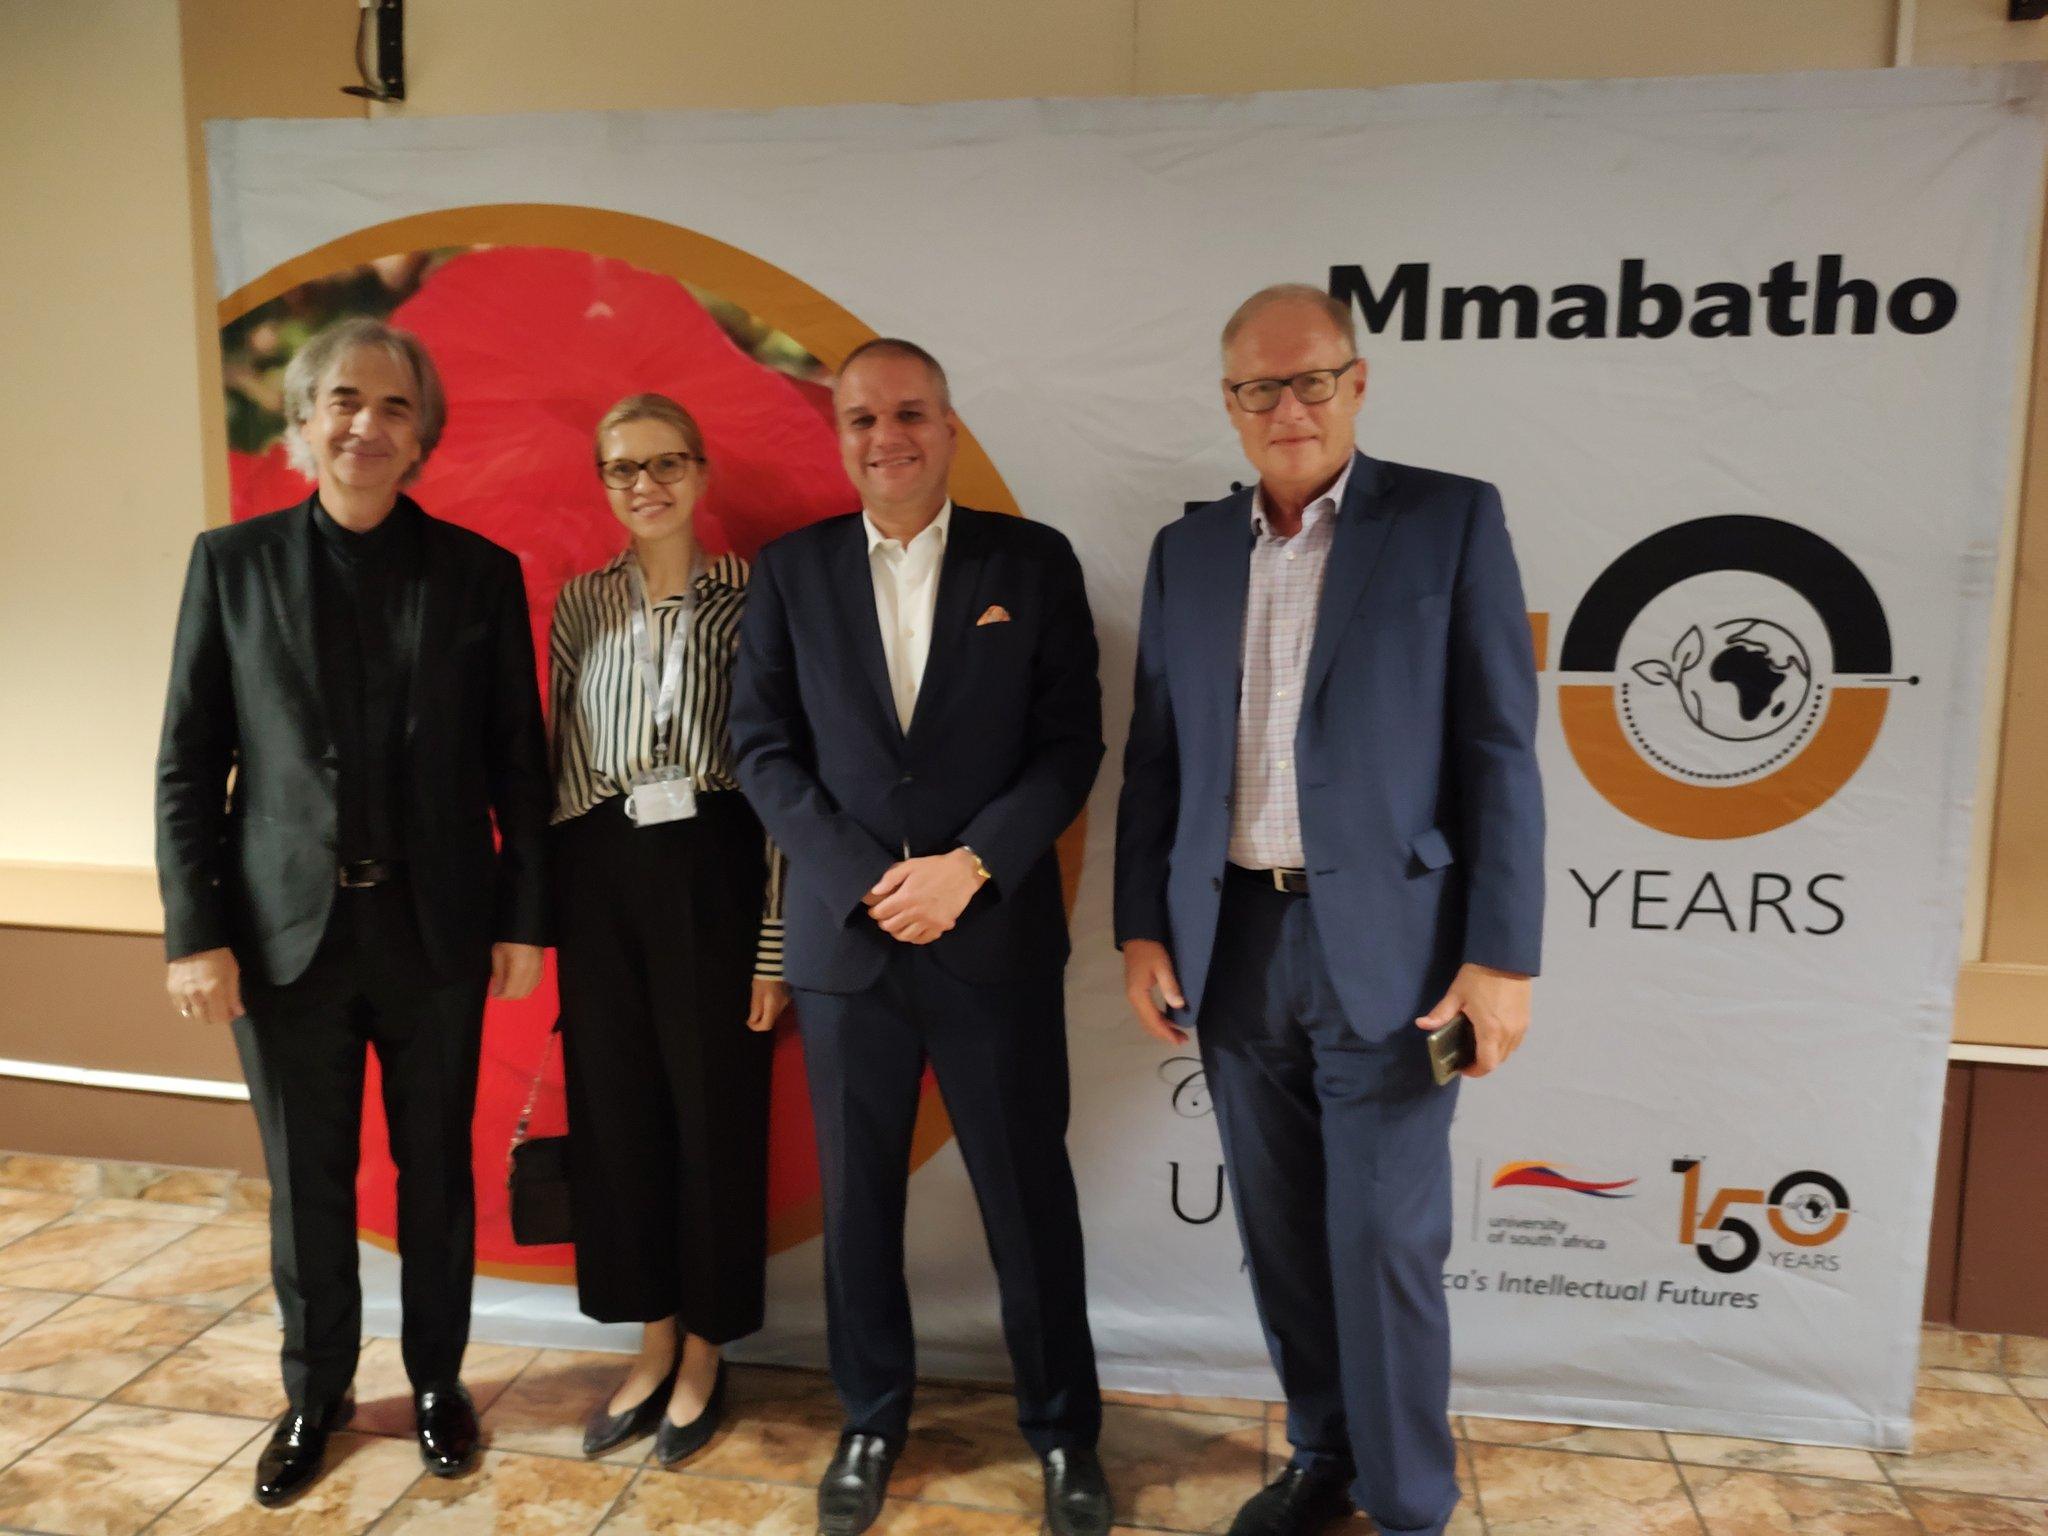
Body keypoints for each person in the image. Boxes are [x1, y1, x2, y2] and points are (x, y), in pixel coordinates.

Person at [1114, 285, 1544, 1536]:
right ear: (1229, 403)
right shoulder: (1188, 551)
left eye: (1310, 380)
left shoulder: (1447, 521)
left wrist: (1500, 956)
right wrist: (1140, 925)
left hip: (1395, 953)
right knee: (1284, 1236)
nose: (1287, 408)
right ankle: (1324, 1455)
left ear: (1356, 384)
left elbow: (1497, 750)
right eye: (1259, 387)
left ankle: (1407, 1506)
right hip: (1230, 943)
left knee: (1383, 1242)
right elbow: (1155, 757)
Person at [156, 317, 551, 1505]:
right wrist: (194, 933)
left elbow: (517, 762)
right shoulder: (229, 566)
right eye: (343, 400)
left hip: (435, 933)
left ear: (421, 434)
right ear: (302, 421)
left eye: (392, 406)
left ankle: (437, 1382)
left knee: (437, 1177)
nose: (365, 425)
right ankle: (314, 1393)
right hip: (282, 941)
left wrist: (523, 918)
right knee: (308, 1182)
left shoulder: (478, 573)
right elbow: (189, 766)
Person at [730, 339, 1113, 1536]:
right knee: (857, 1208)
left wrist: (969, 868)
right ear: (837, 435)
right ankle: (868, 1420)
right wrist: (864, 880)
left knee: (1026, 1198)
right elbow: (760, 751)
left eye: (908, 413)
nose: (884, 436)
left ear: (947, 426)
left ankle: (1065, 1435)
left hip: (989, 939)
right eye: (860, 418)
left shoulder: (1030, 562)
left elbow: (1069, 744)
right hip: (848, 950)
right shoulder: (790, 572)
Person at [546, 392, 790, 1464]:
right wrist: (551, 914)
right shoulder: (580, 602)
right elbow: (557, 760)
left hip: (716, 866)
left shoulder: (755, 596)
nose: (644, 485)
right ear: (602, 482)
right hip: (601, 871)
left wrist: (774, 939)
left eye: (664, 463)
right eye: (622, 468)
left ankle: (704, 1349)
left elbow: (782, 774)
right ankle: (650, 1335)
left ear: (700, 470)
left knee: (714, 1114)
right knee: (619, 1117)